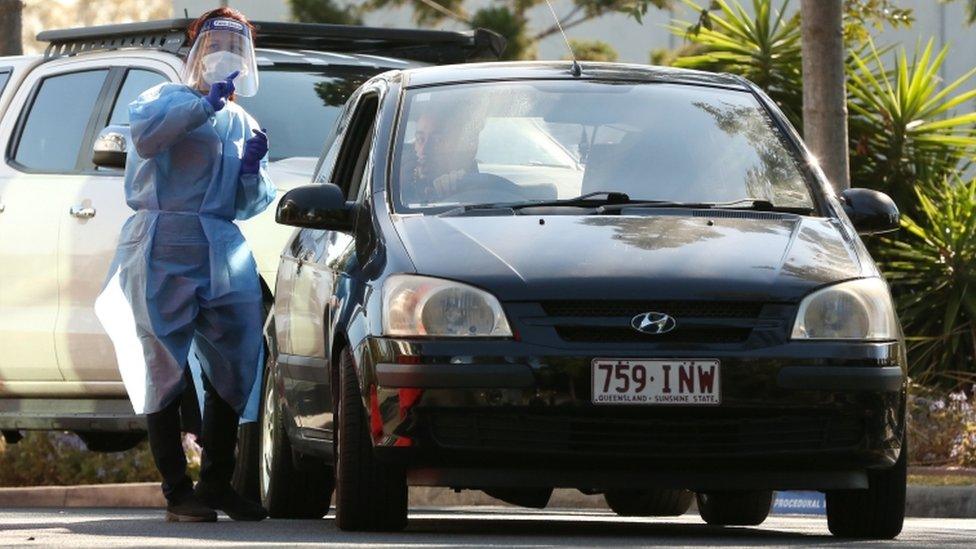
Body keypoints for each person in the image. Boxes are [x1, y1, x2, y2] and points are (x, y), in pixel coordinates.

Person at [94, 7, 273, 523]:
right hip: (162, 242)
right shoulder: (160, 99)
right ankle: (178, 491)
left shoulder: (242, 120)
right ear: (195, 46)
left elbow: (247, 203)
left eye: (237, 47)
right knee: (163, 364)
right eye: (216, 42)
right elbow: (148, 139)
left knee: (238, 359)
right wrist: (201, 107)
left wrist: (253, 171)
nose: (226, 55)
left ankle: (218, 482)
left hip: (221, 243)